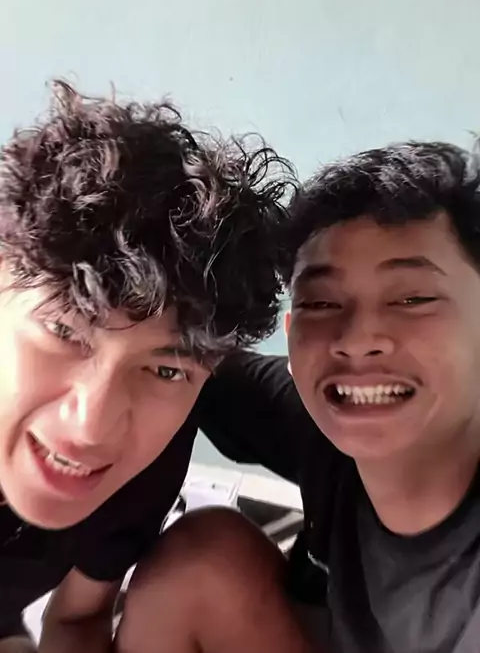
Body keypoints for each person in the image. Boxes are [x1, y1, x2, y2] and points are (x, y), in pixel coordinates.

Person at [127, 139, 480, 653]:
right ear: (292, 338)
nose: (357, 339)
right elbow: (180, 357)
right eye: (321, 302)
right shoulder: (320, 419)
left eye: (412, 298)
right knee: (202, 556)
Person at [0, 80, 294, 652]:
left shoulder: (147, 457)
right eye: (64, 332)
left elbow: (78, 619)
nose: (92, 429)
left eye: (166, 370)